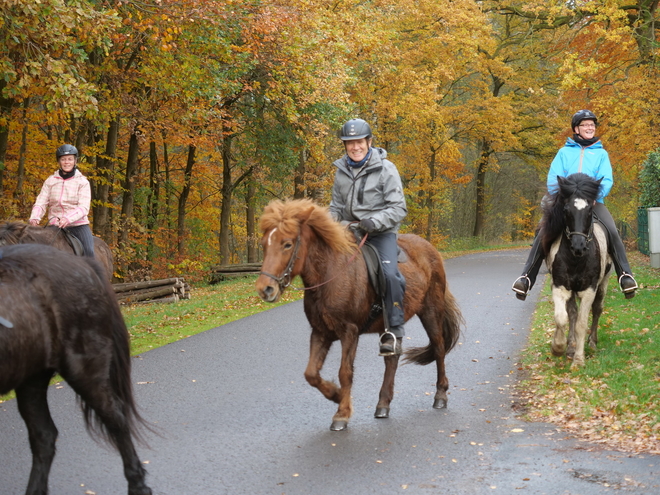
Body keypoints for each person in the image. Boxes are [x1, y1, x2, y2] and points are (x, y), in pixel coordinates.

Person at [512, 109, 637, 300]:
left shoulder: (601, 154)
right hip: (566, 202)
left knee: (612, 230)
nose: (590, 128)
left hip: (593, 202)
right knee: (544, 231)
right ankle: (526, 277)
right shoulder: (564, 152)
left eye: (592, 125)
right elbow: (554, 178)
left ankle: (625, 275)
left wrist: (596, 195)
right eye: (585, 125)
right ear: (576, 129)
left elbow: (607, 180)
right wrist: (562, 197)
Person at [329, 118, 408, 355]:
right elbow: (335, 207)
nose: (355, 147)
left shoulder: (386, 169)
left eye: (359, 142)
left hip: (379, 232)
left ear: (369, 142)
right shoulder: (341, 170)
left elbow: (398, 208)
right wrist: (325, 222)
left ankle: (394, 331)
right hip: (348, 232)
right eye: (349, 143)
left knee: (390, 275)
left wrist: (374, 222)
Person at [29, 144, 95, 258]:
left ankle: (92, 275)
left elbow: (83, 208)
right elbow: (41, 202)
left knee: (89, 252)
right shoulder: (50, 181)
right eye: (63, 159)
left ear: (75, 161)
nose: (67, 162)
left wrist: (68, 218)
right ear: (59, 162)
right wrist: (35, 217)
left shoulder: (83, 182)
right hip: (55, 225)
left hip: (78, 225)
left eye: (70, 159)